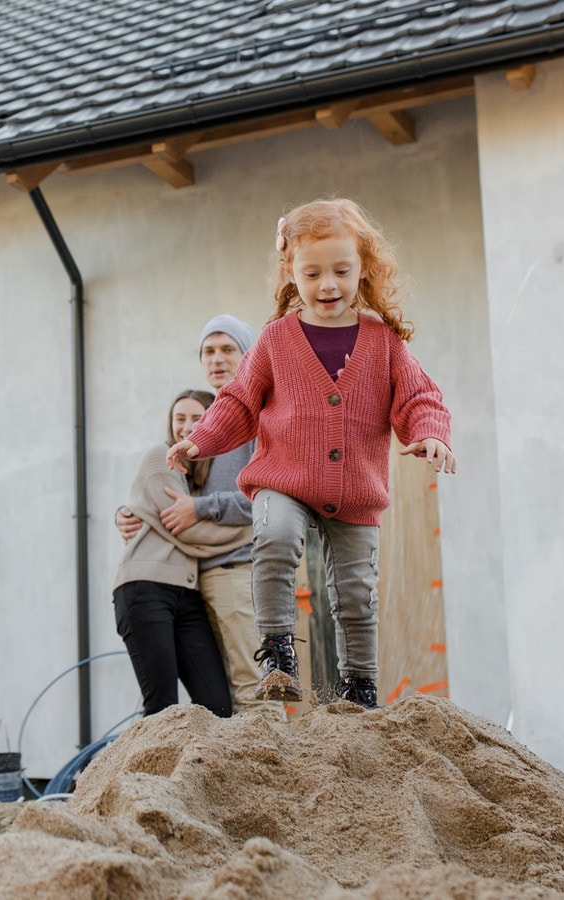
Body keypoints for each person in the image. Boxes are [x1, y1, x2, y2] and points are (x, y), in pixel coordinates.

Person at [168, 199, 454, 710]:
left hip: (357, 490)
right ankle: (278, 655)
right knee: (274, 536)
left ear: (362, 269)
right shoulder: (277, 339)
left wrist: (432, 433)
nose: (328, 285)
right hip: (286, 478)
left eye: (342, 271)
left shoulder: (383, 341)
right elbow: (238, 400)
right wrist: (200, 439)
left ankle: (360, 687)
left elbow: (419, 396)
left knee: (356, 594)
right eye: (313, 273)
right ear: (291, 273)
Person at [116, 315, 284, 719]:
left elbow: (267, 499)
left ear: (248, 356)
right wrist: (126, 513)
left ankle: (273, 775)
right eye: (209, 351)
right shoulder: (211, 424)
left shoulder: (260, 417)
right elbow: (166, 494)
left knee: (253, 683)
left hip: (236, 570)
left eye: (228, 349)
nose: (217, 359)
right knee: (223, 691)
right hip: (200, 576)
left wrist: (201, 509)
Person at [113, 389, 249, 718]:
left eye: (197, 418)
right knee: (161, 706)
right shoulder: (161, 457)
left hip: (187, 594)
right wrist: (253, 530)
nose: (187, 426)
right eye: (179, 418)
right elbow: (188, 534)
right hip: (145, 589)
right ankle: (147, 771)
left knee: (217, 705)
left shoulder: (196, 474)